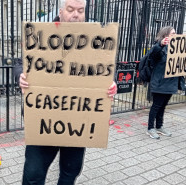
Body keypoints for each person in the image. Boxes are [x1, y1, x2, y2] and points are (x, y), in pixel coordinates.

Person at [19, 0, 117, 184]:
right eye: (71, 9)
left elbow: (106, 68)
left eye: (80, 10)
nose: (75, 15)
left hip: (77, 122)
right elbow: (20, 63)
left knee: (71, 171)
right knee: (33, 173)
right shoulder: (41, 34)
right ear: (61, 11)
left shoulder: (96, 39)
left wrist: (111, 83)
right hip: (44, 119)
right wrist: (20, 76)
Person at [146, 27, 186, 139]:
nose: (175, 34)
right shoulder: (159, 47)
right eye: (172, 33)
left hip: (171, 82)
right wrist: (161, 44)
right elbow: (154, 54)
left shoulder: (177, 48)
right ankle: (150, 128)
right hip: (160, 82)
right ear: (165, 35)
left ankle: (159, 126)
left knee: (163, 106)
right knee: (156, 106)